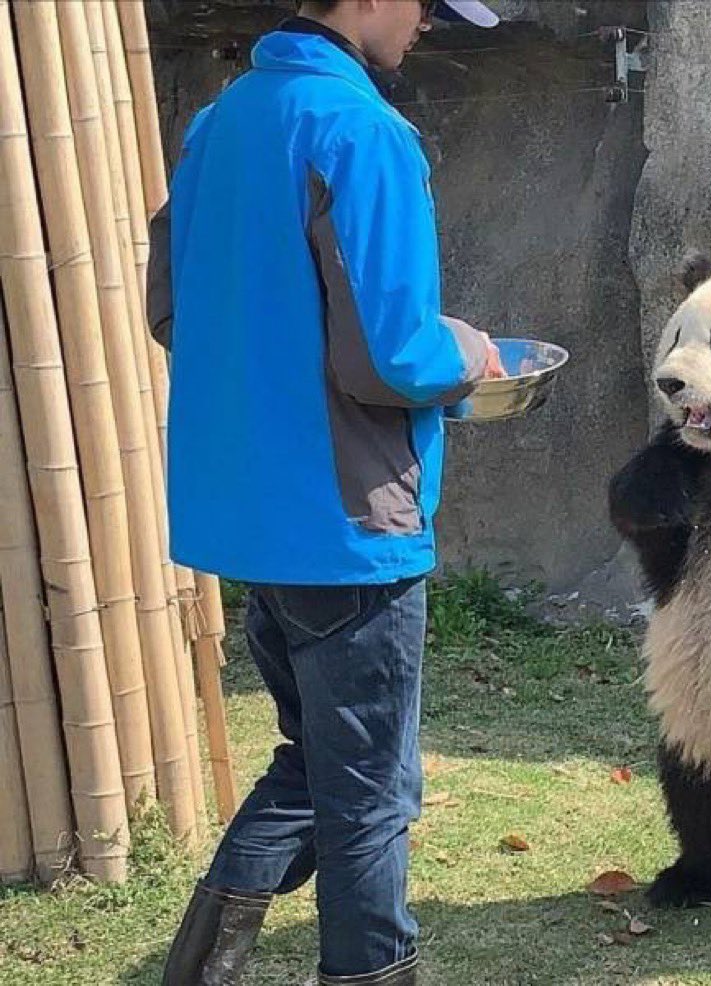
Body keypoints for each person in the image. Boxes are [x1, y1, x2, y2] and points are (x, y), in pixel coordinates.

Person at [147, 1, 504, 983]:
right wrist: (471, 354)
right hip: (348, 528)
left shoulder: (218, 124)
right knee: (372, 800)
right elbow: (392, 354)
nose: (430, 23)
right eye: (428, 4)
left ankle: (197, 968)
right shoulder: (363, 131)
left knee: (317, 767)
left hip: (255, 517)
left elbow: (173, 308)